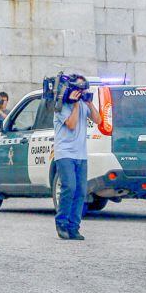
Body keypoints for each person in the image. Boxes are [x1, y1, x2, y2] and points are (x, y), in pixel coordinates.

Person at [53, 75, 100, 241]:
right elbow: (71, 124)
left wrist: (89, 103)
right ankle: (62, 223)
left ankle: (74, 227)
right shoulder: (61, 106)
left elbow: (98, 120)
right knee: (69, 187)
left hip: (81, 154)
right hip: (64, 153)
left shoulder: (82, 104)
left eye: (83, 88)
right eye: (79, 88)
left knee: (81, 191)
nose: (82, 91)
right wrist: (74, 105)